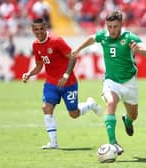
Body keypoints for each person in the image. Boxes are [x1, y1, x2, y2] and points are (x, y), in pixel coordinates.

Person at [73, 10, 146, 155]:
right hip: (111, 81)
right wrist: (78, 49)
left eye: (115, 26)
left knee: (134, 115)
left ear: (121, 25)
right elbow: (91, 38)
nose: (112, 30)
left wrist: (139, 50)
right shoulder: (103, 36)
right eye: (110, 26)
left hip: (129, 83)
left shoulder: (129, 37)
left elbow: (144, 49)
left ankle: (128, 120)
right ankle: (113, 143)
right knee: (111, 102)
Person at [22, 18, 102, 149]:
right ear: (32, 30)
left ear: (45, 28)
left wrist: (65, 75)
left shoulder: (56, 41)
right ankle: (53, 143)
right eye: (36, 29)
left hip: (68, 83)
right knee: (46, 108)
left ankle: (89, 104)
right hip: (51, 83)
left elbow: (73, 57)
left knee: (74, 114)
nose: (39, 32)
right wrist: (29, 73)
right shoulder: (35, 45)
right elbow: (38, 65)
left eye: (41, 28)